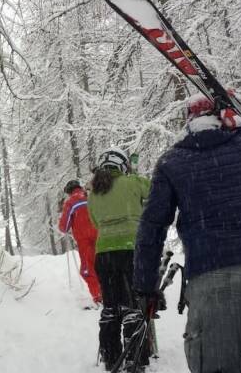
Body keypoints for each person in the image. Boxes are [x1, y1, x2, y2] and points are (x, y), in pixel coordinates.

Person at [134, 94, 241, 373]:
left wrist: (145, 287)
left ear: (190, 121)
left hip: (211, 281)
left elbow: (151, 228)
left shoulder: (172, 162)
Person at [87, 147, 151, 372]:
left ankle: (111, 357)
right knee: (132, 306)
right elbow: (152, 191)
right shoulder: (132, 182)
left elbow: (95, 223)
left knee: (111, 308)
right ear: (122, 165)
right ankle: (135, 359)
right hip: (130, 251)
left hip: (104, 254)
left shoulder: (93, 193)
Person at [58, 179, 102, 305]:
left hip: (85, 240)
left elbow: (64, 227)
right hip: (101, 236)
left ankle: (99, 296)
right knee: (103, 266)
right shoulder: (91, 196)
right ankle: (109, 292)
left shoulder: (70, 202)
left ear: (69, 191)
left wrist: (62, 217)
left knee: (87, 269)